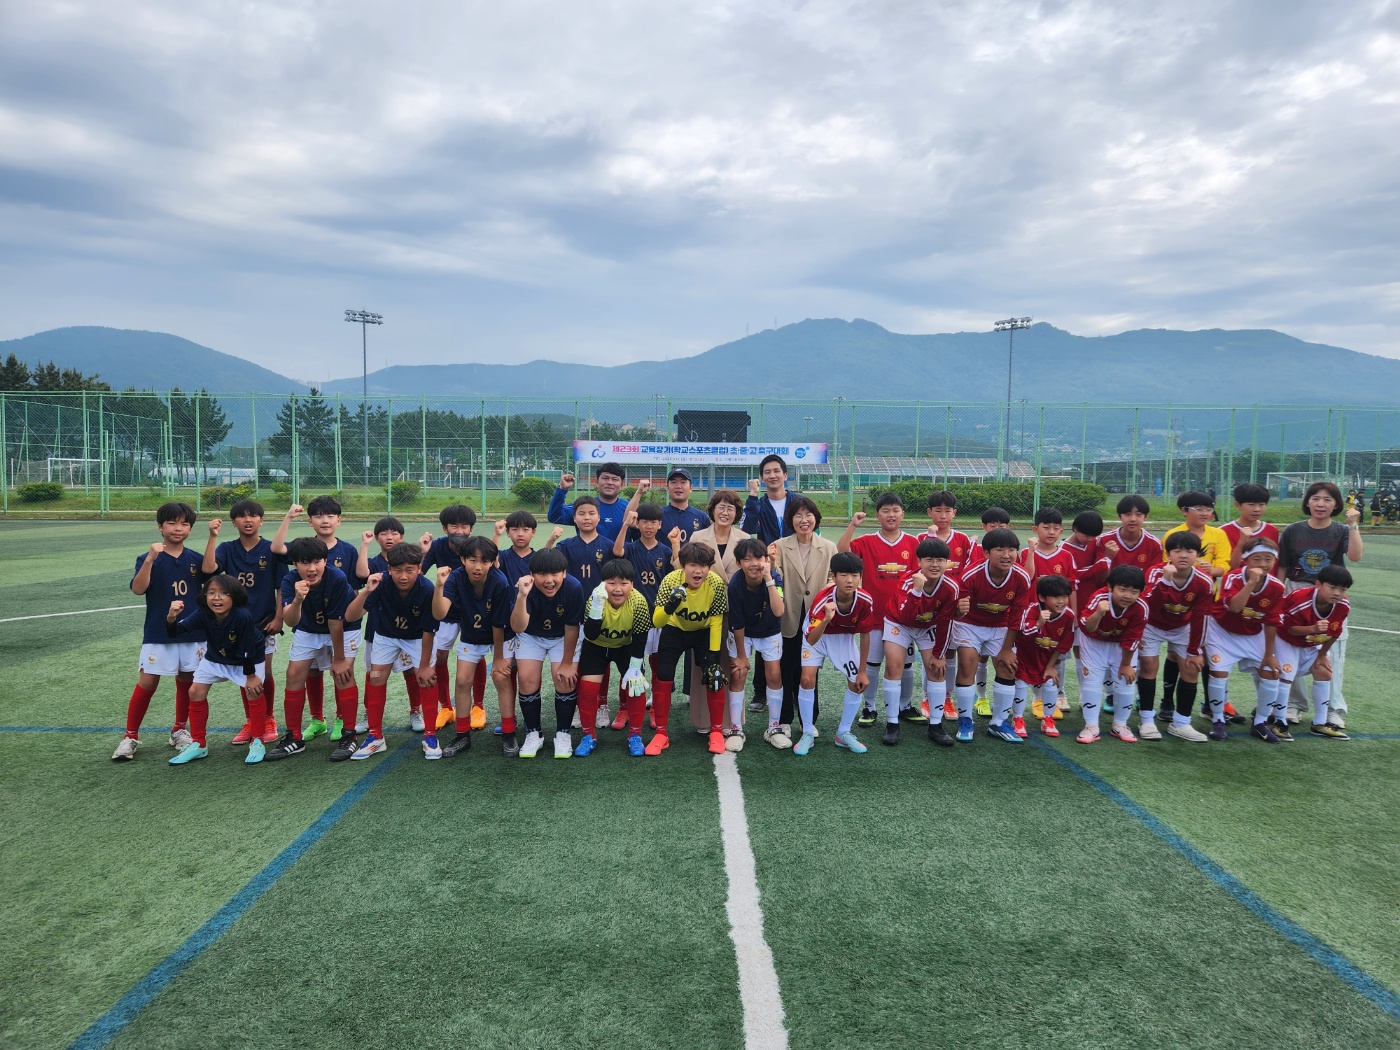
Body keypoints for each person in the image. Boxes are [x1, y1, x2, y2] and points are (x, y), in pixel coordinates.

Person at [113, 502, 206, 762]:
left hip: (192, 632)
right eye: (172, 523)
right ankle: (130, 736)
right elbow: (138, 589)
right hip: (158, 631)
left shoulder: (196, 559)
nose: (178, 528)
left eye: (184, 523)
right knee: (148, 682)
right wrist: (152, 558)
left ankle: (179, 729)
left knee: (187, 680)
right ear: (160, 527)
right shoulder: (147, 558)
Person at [271, 497, 365, 742]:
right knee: (295, 675)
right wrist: (299, 600)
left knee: (342, 673)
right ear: (296, 563)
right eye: (304, 563)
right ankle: (294, 735)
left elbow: (337, 620)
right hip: (309, 627)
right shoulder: (290, 581)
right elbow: (291, 621)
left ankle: (348, 731)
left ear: (325, 560)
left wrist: (341, 658)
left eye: (316, 562)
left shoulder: (336, 576)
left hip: (343, 627)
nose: (311, 568)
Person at [1277, 481, 1363, 728]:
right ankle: (1294, 705)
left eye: (1327, 499)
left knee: (1332, 654)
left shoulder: (1341, 530)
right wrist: (1278, 597)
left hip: (1331, 595)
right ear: (1307, 502)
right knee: (1289, 649)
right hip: (1296, 591)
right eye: (1315, 498)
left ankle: (1332, 709)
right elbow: (1283, 565)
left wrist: (1353, 525)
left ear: (1336, 504)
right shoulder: (1293, 530)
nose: (1320, 504)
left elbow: (1355, 556)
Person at [200, 498, 285, 748]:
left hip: (265, 622)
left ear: (261, 520)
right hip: (234, 623)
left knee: (264, 672)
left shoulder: (271, 550)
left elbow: (281, 587)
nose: (248, 520)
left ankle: (268, 719)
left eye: (253, 516)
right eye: (242, 516)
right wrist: (212, 536)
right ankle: (251, 720)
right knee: (243, 673)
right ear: (234, 521)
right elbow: (208, 569)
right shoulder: (227, 548)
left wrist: (279, 617)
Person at [345, 543, 438, 760]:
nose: (403, 576)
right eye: (397, 570)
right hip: (386, 635)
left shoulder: (427, 589)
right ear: (389, 569)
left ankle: (431, 735)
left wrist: (424, 666)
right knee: (376, 677)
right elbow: (351, 616)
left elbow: (428, 631)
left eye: (409, 570)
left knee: (427, 678)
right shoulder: (380, 584)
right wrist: (367, 590)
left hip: (417, 637)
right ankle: (375, 736)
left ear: (419, 568)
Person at [837, 492, 920, 727]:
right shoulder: (867, 542)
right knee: (872, 664)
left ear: (903, 514)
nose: (891, 515)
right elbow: (842, 552)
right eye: (885, 510)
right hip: (874, 617)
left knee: (905, 665)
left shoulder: (913, 544)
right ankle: (870, 707)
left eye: (895, 510)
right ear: (877, 515)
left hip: (903, 619)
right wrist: (853, 525)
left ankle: (905, 705)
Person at [164, 575, 265, 764]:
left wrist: (251, 676)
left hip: (247, 658)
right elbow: (176, 632)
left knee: (254, 691)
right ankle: (199, 744)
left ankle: (258, 741)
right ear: (205, 596)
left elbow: (248, 649)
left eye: (223, 593)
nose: (216, 598)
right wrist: (171, 618)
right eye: (211, 593)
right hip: (216, 658)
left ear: (234, 596)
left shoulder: (242, 616)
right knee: (195, 691)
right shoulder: (204, 613)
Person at [433, 535, 518, 757]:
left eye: (484, 561)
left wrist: (498, 659)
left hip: (501, 635)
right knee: (462, 680)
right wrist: (439, 586)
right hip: (472, 635)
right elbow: (440, 613)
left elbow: (499, 624)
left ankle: (509, 733)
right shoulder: (455, 578)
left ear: (492, 562)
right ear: (462, 560)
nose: (477, 566)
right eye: (472, 560)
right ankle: (462, 734)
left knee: (501, 677)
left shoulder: (500, 582)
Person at [951, 527, 1033, 744]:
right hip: (970, 624)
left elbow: (1017, 616)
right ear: (986, 553)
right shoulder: (971, 574)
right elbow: (959, 610)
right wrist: (959, 609)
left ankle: (998, 722)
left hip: (1001, 625)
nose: (1006, 555)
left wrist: (1007, 649)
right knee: (968, 663)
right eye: (999, 550)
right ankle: (965, 720)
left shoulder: (1022, 577)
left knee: (1008, 666)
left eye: (1012, 550)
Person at [648, 543, 729, 756]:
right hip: (674, 630)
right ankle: (661, 733)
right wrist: (670, 606)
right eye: (692, 565)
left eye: (703, 565)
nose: (698, 571)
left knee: (715, 676)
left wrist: (713, 654)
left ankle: (717, 731)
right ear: (683, 566)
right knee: (663, 676)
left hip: (703, 632)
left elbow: (716, 620)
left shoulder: (715, 583)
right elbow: (657, 622)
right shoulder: (670, 580)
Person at [768, 497, 837, 741]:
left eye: (808, 515)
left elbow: (833, 579)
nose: (804, 520)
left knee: (810, 670)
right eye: (798, 515)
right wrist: (773, 562)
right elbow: (773, 578)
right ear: (791, 520)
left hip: (815, 620)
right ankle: (785, 718)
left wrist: (826, 594)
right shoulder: (779, 545)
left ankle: (809, 720)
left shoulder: (828, 547)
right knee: (786, 667)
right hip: (788, 616)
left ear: (816, 518)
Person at [1204, 538, 1287, 742]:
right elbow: (1234, 607)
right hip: (1222, 631)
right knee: (1218, 672)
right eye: (1256, 558)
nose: (1262, 564)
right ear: (1245, 560)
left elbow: (1271, 621)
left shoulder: (1276, 587)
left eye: (1268, 559)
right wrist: (1251, 582)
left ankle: (1260, 723)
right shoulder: (1234, 577)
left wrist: (1269, 654)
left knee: (1271, 673)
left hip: (1252, 633)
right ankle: (1218, 719)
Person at [880, 538, 960, 747]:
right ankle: (892, 724)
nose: (935, 564)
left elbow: (946, 621)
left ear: (947, 562)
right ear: (919, 561)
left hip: (928, 626)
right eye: (929, 559)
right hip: (899, 622)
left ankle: (935, 726)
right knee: (893, 666)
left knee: (936, 670)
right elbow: (907, 615)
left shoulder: (951, 587)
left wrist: (939, 654)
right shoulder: (908, 581)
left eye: (940, 560)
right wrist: (917, 591)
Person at [797, 551, 878, 755]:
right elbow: (811, 639)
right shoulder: (822, 600)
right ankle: (807, 732)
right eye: (843, 575)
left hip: (843, 638)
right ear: (833, 576)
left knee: (857, 684)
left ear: (861, 576)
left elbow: (866, 635)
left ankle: (843, 733)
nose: (850, 580)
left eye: (855, 575)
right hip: (817, 635)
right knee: (807, 680)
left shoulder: (865, 600)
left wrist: (863, 671)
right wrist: (825, 619)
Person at [1137, 532, 1214, 742]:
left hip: (1183, 626)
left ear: (1197, 554)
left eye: (1189, 550)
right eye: (1177, 550)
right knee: (1148, 665)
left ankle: (1181, 723)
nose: (1183, 555)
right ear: (1168, 554)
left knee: (1190, 668)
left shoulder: (1204, 582)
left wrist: (1196, 650)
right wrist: (1166, 581)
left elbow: (1202, 617)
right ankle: (1146, 719)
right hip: (1151, 625)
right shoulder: (1155, 573)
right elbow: (1146, 604)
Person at [508, 547, 584, 759]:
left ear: (564, 573)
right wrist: (522, 596)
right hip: (531, 635)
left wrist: (568, 663)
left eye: (555, 574)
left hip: (563, 636)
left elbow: (572, 628)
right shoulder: (526, 589)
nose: (549, 580)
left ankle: (563, 734)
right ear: (532, 575)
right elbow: (518, 627)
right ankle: (534, 733)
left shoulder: (573, 587)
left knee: (564, 679)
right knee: (526, 679)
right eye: (542, 574)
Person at [355, 516, 426, 733]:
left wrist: (422, 552)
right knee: (374, 673)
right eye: (383, 533)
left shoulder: (411, 565)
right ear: (376, 538)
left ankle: (416, 710)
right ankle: (370, 713)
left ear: (402, 537)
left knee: (411, 672)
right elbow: (361, 574)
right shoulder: (377, 563)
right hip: (378, 629)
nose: (389, 537)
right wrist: (364, 546)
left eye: (394, 533)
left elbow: (416, 576)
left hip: (406, 631)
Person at [576, 559, 653, 757]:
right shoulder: (595, 599)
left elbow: (640, 636)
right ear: (603, 584)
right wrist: (597, 607)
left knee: (636, 686)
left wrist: (636, 667)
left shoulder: (639, 602)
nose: (617, 589)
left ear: (632, 585)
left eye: (624, 583)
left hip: (625, 647)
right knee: (587, 688)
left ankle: (635, 735)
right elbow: (591, 635)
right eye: (612, 583)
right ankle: (588, 736)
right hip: (596, 646)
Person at [419, 504, 485, 731]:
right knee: (439, 656)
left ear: (471, 528)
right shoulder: (437, 546)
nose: (459, 530)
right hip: (446, 612)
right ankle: (446, 707)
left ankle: (478, 706)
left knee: (476, 655)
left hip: (472, 612)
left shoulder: (477, 547)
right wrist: (424, 551)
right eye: (453, 526)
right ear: (445, 528)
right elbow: (418, 573)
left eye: (464, 525)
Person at [612, 501, 673, 731]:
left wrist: (676, 544)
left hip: (658, 617)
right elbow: (617, 552)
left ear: (660, 524)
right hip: (634, 615)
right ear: (639, 523)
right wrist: (625, 526)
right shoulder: (632, 547)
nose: (649, 526)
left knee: (658, 666)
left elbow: (674, 574)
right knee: (632, 666)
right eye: (644, 521)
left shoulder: (665, 551)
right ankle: (625, 707)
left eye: (653, 522)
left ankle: (656, 708)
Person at [1273, 564, 1352, 740]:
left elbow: (1335, 633)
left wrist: (1322, 654)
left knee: (1324, 671)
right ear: (1318, 584)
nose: (1337, 593)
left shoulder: (1343, 605)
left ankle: (1319, 723)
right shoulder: (1300, 599)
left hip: (1311, 643)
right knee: (1286, 674)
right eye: (1332, 587)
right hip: (1287, 640)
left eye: (1343, 589)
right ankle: (1279, 722)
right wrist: (1313, 628)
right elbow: (1288, 628)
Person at [1075, 565, 1148, 744]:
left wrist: (1126, 664)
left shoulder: (1141, 607)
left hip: (1121, 647)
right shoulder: (1099, 598)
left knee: (1126, 681)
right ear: (1110, 587)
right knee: (1092, 681)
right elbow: (1087, 627)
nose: (1127, 595)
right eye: (1122, 589)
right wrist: (1099, 613)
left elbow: (1132, 637)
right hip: (1094, 643)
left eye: (1134, 591)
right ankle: (1091, 726)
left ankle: (1120, 725)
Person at [727, 538, 785, 750]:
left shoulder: (775, 577)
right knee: (738, 673)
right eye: (747, 559)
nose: (755, 563)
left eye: (759, 557)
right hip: (744, 632)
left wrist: (769, 578)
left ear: (766, 559)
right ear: (738, 563)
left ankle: (774, 727)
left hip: (769, 631)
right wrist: (742, 656)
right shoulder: (735, 585)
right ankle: (735, 728)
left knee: (774, 675)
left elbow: (779, 611)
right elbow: (737, 624)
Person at [1010, 575, 1076, 739]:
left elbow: (1062, 646)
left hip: (1046, 659)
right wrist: (1039, 623)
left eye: (1064, 596)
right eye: (1055, 597)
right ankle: (1017, 718)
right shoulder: (1031, 610)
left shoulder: (1068, 617)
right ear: (1041, 597)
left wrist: (1050, 666)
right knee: (1021, 685)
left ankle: (1048, 719)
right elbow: (1024, 634)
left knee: (1050, 683)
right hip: (1024, 657)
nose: (1061, 601)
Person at [548, 463, 630, 542]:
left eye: (615, 479)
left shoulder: (629, 508)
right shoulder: (584, 506)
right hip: (587, 555)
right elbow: (555, 517)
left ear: (622, 484)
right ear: (597, 481)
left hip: (621, 556)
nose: (609, 482)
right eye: (605, 478)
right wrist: (562, 489)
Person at [1161, 491, 1231, 580]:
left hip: (1208, 591)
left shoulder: (1219, 534)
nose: (1204, 513)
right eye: (1199, 509)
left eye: (1208, 509)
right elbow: (1166, 564)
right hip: (1178, 588)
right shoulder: (1172, 535)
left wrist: (1211, 571)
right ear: (1184, 511)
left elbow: (1223, 565)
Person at [687, 489, 750, 579]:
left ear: (736, 513)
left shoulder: (744, 538)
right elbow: (687, 568)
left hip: (734, 592)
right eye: (721, 507)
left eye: (730, 509)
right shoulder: (697, 537)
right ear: (713, 510)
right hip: (706, 591)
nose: (725, 513)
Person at [742, 454, 801, 544]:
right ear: (762, 479)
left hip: (796, 555)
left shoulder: (800, 502)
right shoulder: (756, 505)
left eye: (776, 471)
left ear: (785, 476)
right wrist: (753, 494)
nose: (772, 476)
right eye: (767, 472)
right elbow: (747, 529)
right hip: (768, 556)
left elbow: (814, 532)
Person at [660, 469, 710, 543]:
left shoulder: (702, 517)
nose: (678, 486)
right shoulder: (658, 515)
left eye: (683, 482)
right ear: (667, 487)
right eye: (673, 482)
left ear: (691, 488)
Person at [497, 510, 541, 587]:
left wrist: (551, 540)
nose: (520, 534)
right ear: (508, 532)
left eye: (525, 530)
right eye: (515, 529)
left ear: (533, 532)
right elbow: (492, 558)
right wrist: (497, 534)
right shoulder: (503, 556)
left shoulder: (538, 558)